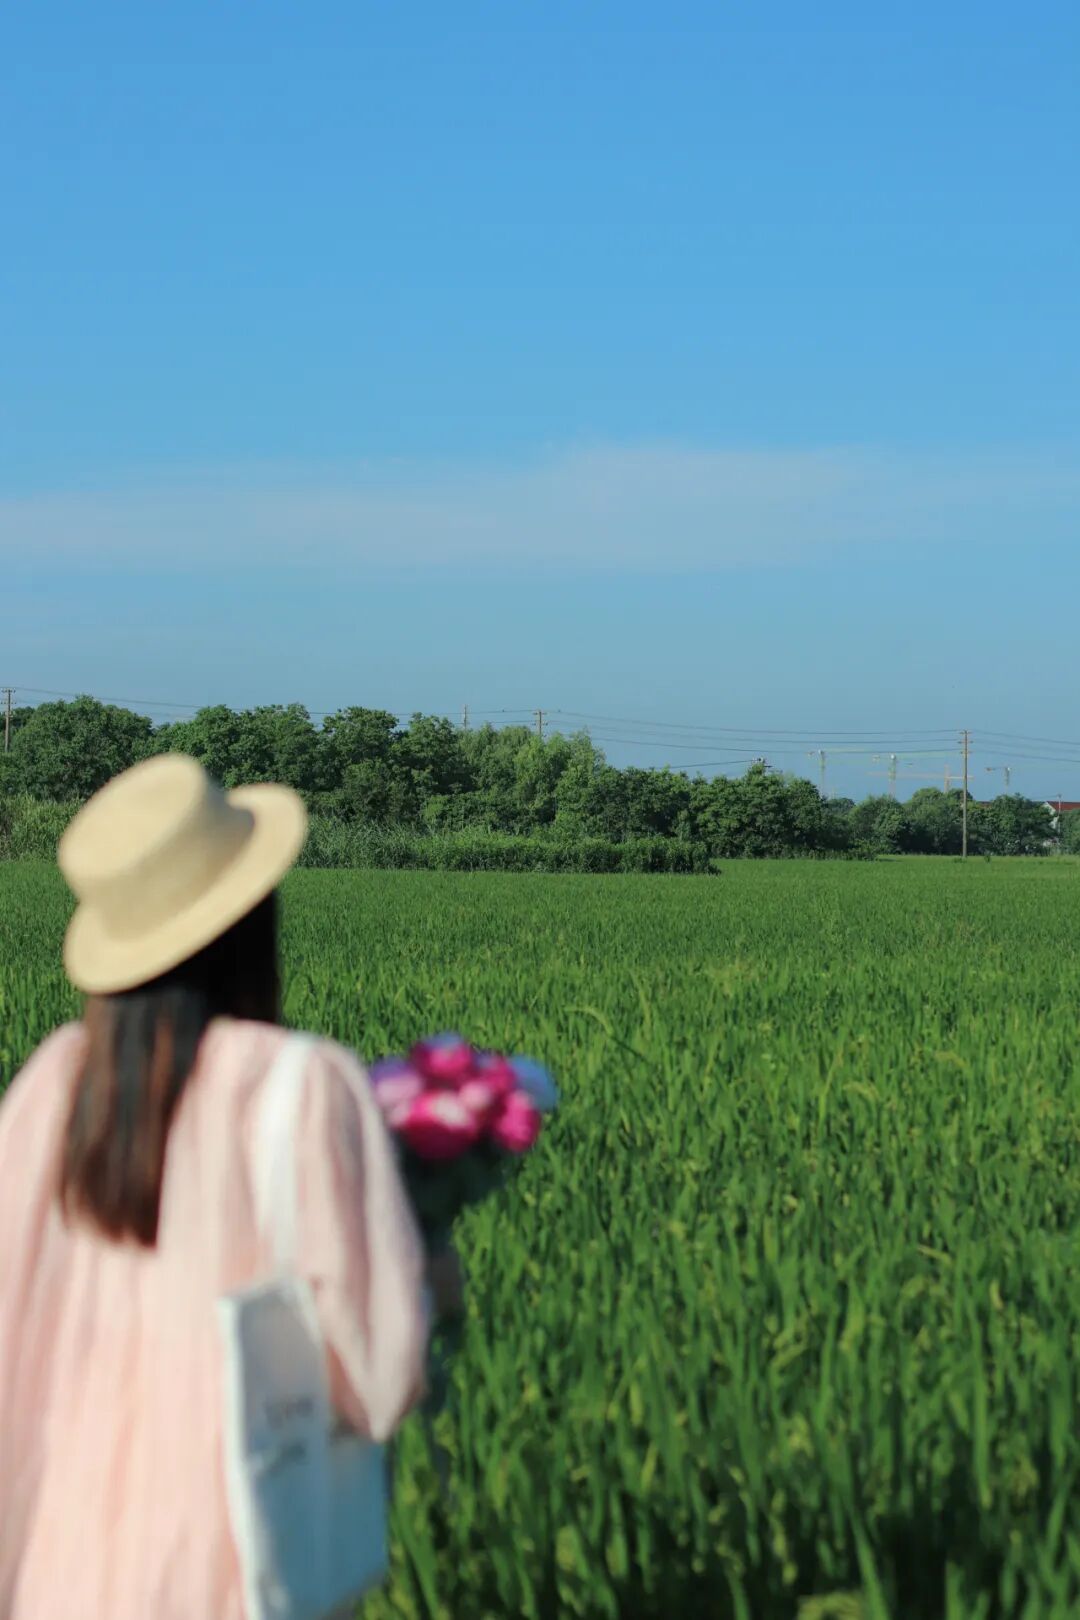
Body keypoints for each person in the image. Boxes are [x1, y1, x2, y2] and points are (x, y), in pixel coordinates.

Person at [0, 753, 462, 1620]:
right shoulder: (300, 1087)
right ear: (249, 917)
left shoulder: (52, 1088)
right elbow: (375, 1380)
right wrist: (430, 1269)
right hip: (232, 1573)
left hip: (61, 1569)